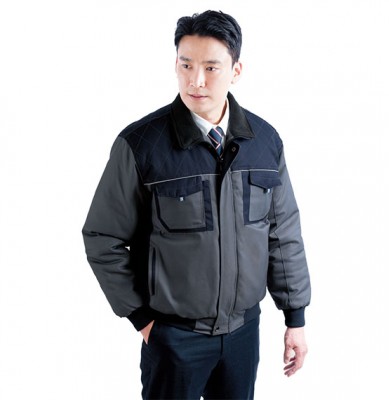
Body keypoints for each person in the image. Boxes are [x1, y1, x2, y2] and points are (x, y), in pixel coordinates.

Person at [82, 10, 311, 400]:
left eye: (210, 67)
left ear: (236, 70)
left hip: (243, 335)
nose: (196, 80)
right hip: (174, 339)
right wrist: (142, 319)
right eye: (186, 65)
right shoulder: (141, 145)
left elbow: (282, 232)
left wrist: (296, 318)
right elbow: (102, 237)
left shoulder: (264, 142)